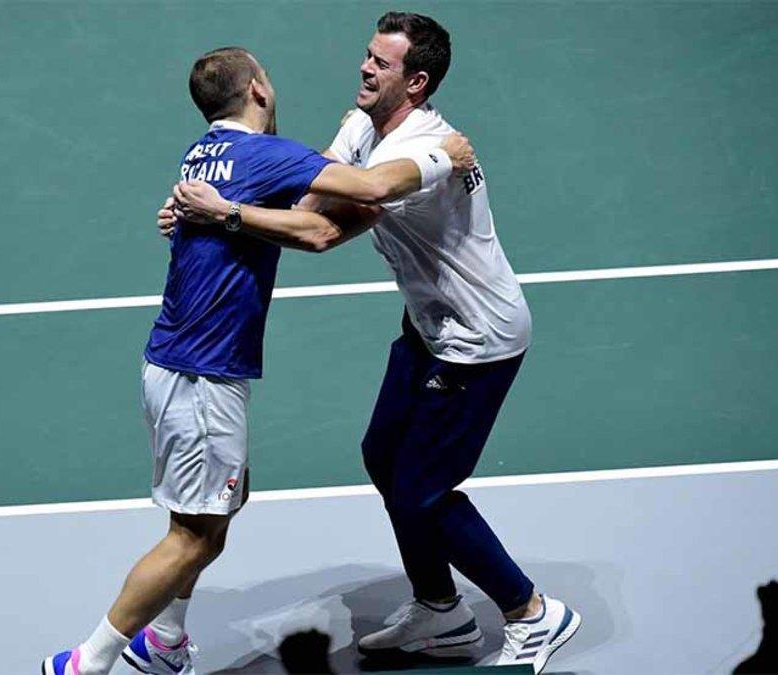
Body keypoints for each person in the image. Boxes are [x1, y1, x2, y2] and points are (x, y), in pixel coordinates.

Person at [166, 12, 581, 673]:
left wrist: (225, 213)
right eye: (367, 55)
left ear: (415, 82)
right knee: (383, 454)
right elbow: (310, 185)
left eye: (380, 64)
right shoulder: (364, 124)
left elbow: (319, 232)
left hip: (477, 340)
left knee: (422, 488)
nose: (364, 67)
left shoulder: (418, 155)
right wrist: (204, 204)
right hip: (428, 327)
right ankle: (439, 610)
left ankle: (532, 612)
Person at [42, 46, 474, 675]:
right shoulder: (262, 153)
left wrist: (242, 215)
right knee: (193, 536)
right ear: (259, 94)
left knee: (218, 509)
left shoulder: (204, 155)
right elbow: (367, 190)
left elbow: (307, 222)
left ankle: (164, 644)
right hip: (202, 371)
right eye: (268, 80)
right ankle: (86, 663)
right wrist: (445, 156)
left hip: (181, 363)